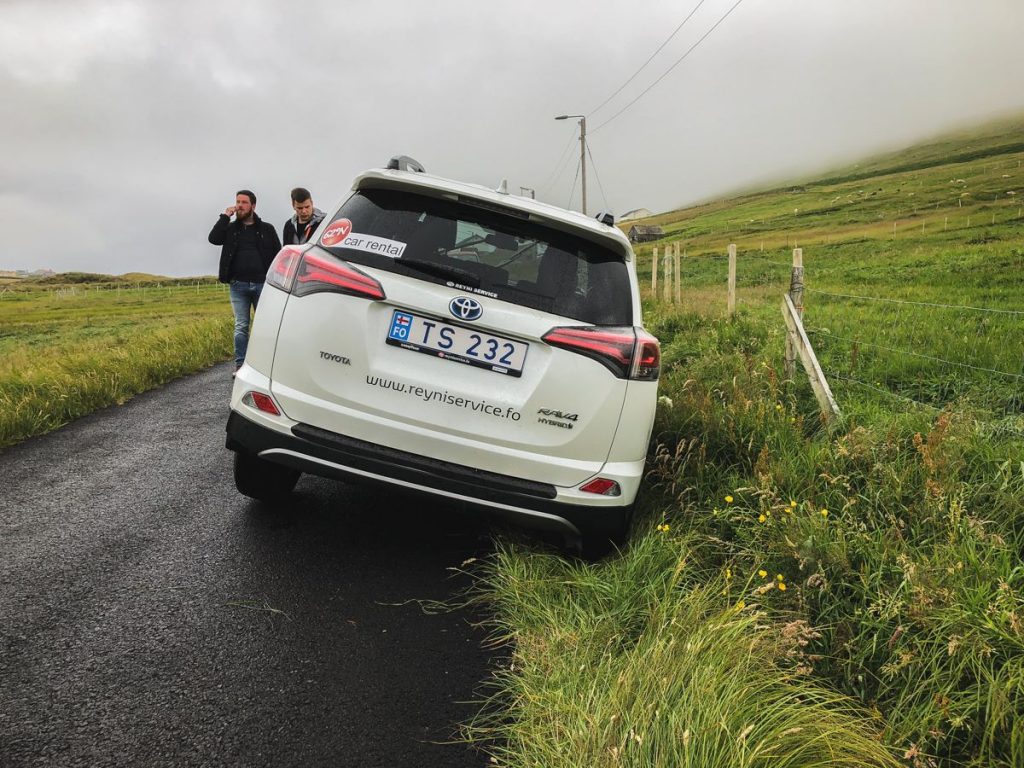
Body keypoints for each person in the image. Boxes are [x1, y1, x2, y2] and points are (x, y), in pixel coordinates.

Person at [208, 190, 281, 375]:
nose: (239, 205)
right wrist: (225, 216)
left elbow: (278, 255)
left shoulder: (267, 229)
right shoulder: (230, 229)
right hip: (238, 285)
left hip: (262, 286)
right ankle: (241, 366)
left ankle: (265, 366)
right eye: (237, 202)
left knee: (264, 326)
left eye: (244, 202)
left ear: (253, 206)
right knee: (241, 326)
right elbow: (214, 239)